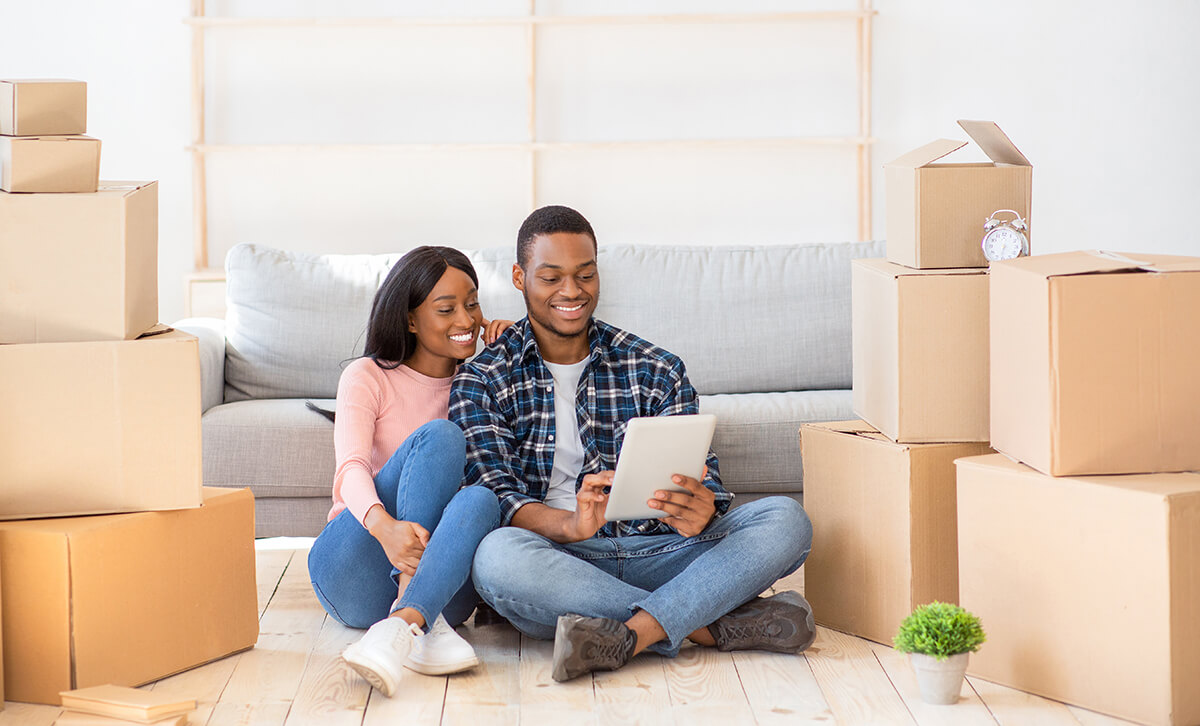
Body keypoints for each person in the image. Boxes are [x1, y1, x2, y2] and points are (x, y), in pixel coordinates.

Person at [449, 206, 815, 683]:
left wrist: (699, 510)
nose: (572, 291)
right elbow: (498, 499)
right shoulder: (483, 378)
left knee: (786, 520)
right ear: (520, 278)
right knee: (496, 557)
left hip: (665, 553)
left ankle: (630, 633)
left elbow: (706, 482)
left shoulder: (656, 368)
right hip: (563, 563)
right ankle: (709, 623)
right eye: (551, 277)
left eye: (585, 274)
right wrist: (573, 524)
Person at [307, 246, 511, 698]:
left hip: (444, 588)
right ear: (411, 319)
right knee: (440, 437)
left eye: (472, 304)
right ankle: (412, 603)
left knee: (482, 499)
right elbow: (351, 469)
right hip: (355, 564)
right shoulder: (368, 376)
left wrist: (517, 358)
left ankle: (408, 619)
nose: (466, 319)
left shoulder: (481, 381)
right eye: (446, 309)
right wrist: (385, 529)